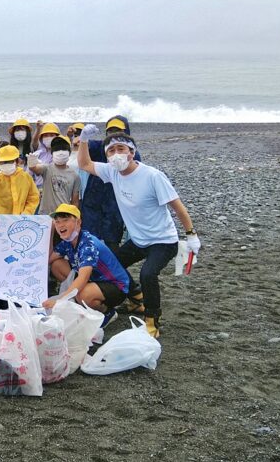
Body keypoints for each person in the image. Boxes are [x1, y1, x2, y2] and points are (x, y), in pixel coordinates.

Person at [77, 130, 201, 338]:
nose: (116, 154)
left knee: (148, 274)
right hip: (138, 240)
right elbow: (84, 164)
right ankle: (136, 298)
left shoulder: (152, 176)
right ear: (107, 155)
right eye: (111, 151)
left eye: (121, 149)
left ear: (132, 152)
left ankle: (152, 322)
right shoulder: (112, 172)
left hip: (163, 240)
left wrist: (191, 234)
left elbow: (177, 206)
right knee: (111, 264)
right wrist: (82, 141)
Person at [41, 204, 129, 327]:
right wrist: (50, 233)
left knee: (82, 294)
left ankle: (107, 311)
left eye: (65, 220)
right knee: (56, 265)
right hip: (94, 280)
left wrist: (59, 301)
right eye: (57, 222)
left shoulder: (88, 244)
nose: (60, 225)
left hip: (116, 286)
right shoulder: (68, 241)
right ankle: (81, 300)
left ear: (78, 222)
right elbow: (48, 260)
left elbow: (83, 277)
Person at [78, 115, 142, 252]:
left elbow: (136, 180)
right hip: (93, 200)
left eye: (119, 131)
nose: (114, 135)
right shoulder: (99, 147)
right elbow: (82, 153)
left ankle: (112, 271)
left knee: (112, 241)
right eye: (111, 131)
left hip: (115, 202)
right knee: (89, 238)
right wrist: (83, 139)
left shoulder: (133, 155)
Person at [0, 145, 39, 215]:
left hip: (19, 221)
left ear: (17, 161)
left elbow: (33, 197)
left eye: (9, 161)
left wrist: (27, 212)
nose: (5, 164)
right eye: (2, 162)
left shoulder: (26, 178)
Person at [28, 136, 81, 215]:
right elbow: (34, 168)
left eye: (63, 149)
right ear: (52, 154)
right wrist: (31, 162)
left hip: (63, 215)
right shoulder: (47, 168)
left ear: (69, 153)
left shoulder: (75, 176)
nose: (60, 152)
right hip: (44, 215)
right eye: (57, 150)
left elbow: (75, 200)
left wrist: (73, 216)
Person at [29, 122, 63, 189]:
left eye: (51, 135)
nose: (48, 137)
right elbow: (29, 175)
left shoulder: (62, 153)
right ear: (41, 138)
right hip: (38, 188)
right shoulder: (37, 154)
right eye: (46, 135)